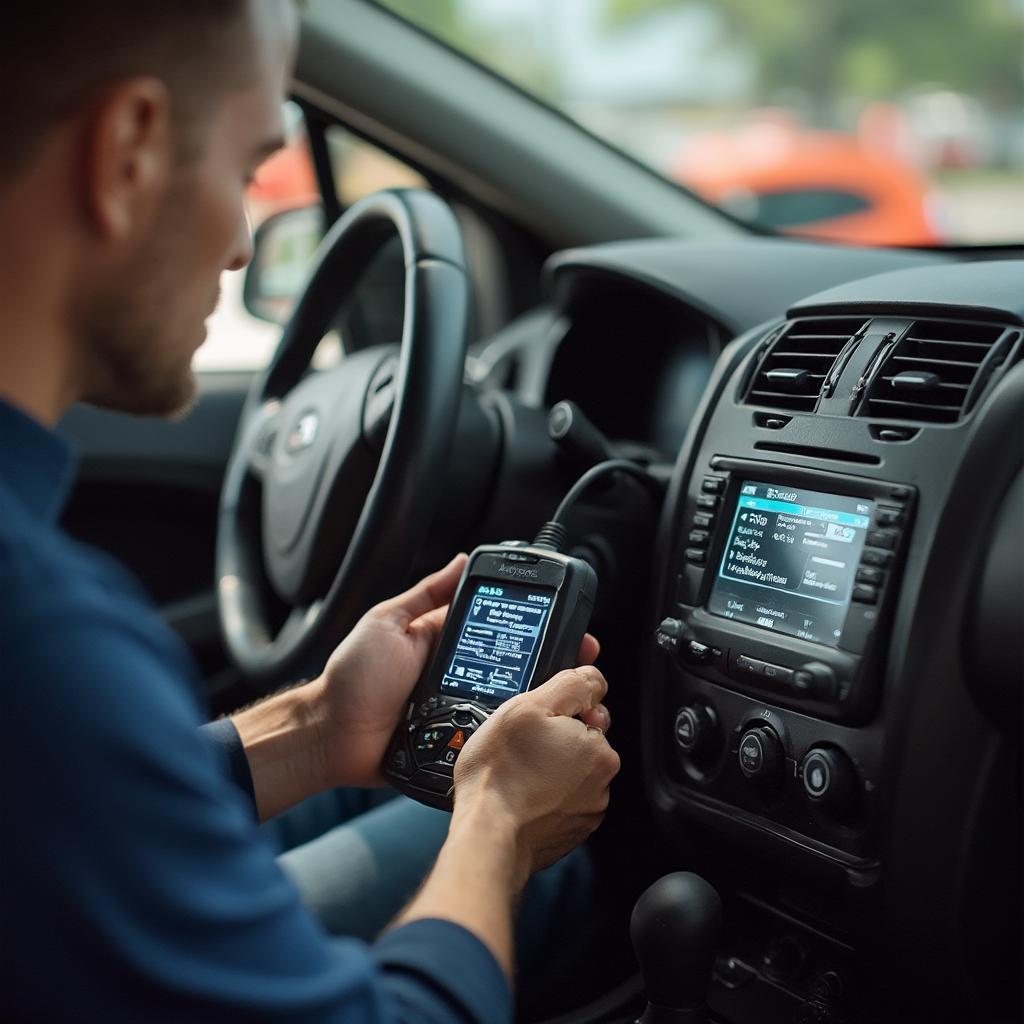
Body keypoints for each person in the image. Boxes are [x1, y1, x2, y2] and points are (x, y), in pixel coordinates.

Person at [1, 2, 621, 1021]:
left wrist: (316, 725)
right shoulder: (42, 635)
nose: (243, 247)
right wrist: (501, 824)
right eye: (245, 172)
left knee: (362, 779)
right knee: (505, 845)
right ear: (128, 153)